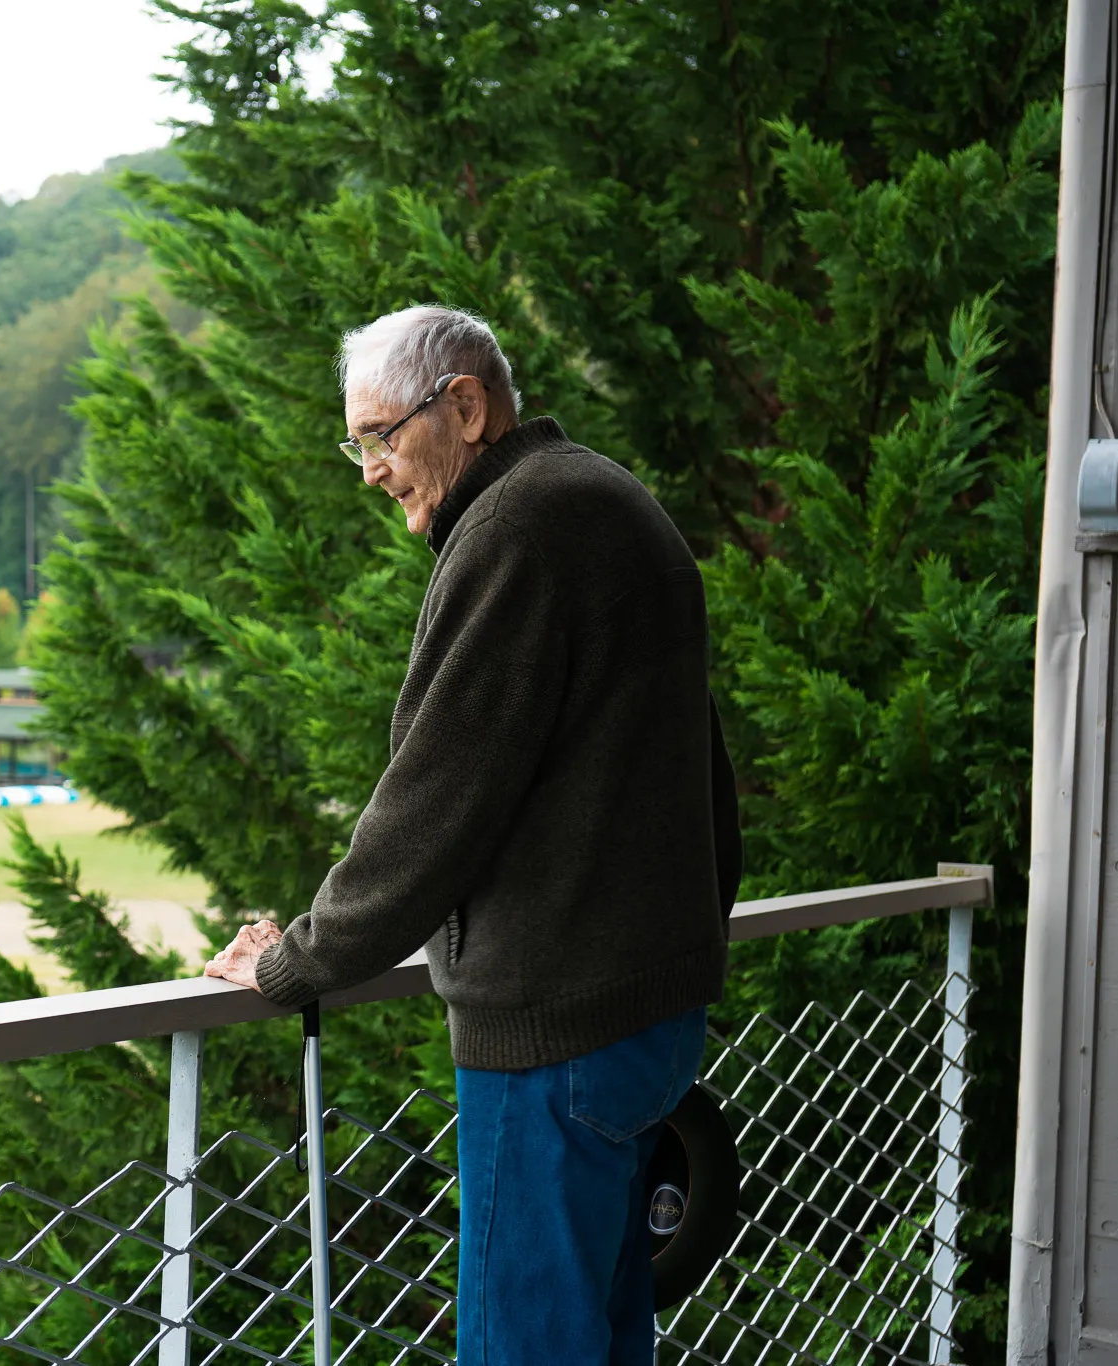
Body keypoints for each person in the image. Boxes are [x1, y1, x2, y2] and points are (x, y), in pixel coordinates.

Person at [203, 305, 741, 1366]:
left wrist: (296, 959)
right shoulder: (606, 498)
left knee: (526, 1346)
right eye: (354, 443)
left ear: (464, 404)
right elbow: (704, 784)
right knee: (603, 1334)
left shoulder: (515, 529)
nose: (367, 469)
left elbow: (435, 797)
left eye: (381, 437)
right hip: (647, 1016)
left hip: (554, 1036)